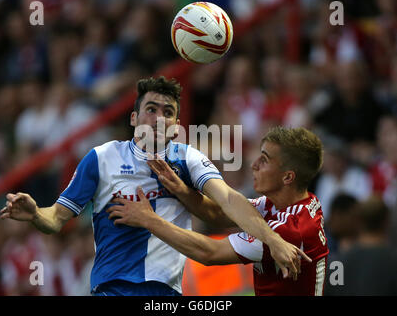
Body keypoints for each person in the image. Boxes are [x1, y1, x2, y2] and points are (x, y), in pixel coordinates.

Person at [0, 76, 305, 296]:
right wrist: (36, 214)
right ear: (134, 118)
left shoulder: (188, 159)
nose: (159, 117)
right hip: (111, 288)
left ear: (175, 127)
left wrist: (273, 240)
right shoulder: (101, 158)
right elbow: (56, 219)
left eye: (168, 112)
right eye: (151, 109)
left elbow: (228, 201)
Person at [109, 126, 328, 296]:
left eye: (265, 159)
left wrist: (149, 221)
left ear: (288, 177)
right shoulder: (284, 204)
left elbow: (209, 253)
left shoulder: (289, 230)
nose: (254, 164)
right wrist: (180, 190)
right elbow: (220, 215)